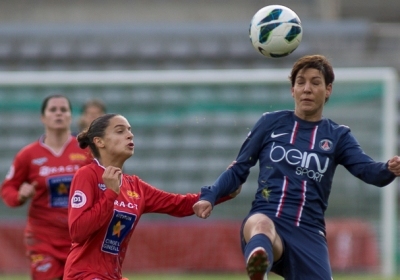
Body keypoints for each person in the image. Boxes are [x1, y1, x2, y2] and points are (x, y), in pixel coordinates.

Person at [192, 54, 400, 280]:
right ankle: (259, 267)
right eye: (300, 82)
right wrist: (210, 195)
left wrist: (389, 168)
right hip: (268, 219)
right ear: (293, 90)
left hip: (309, 232)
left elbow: (368, 171)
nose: (307, 89)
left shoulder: (338, 136)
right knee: (260, 224)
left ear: (328, 90)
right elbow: (239, 169)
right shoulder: (270, 123)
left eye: (315, 82)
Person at [64, 113, 240, 280]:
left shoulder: (135, 186)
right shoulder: (87, 175)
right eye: (120, 131)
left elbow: (181, 204)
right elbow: (78, 232)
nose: (130, 135)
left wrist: (223, 190)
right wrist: (110, 194)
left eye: (130, 130)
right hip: (83, 274)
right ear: (99, 141)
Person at [0, 94, 92, 280]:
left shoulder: (86, 151)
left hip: (79, 239)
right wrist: (20, 195)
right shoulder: (28, 155)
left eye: (63, 109)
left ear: (70, 116)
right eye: (53, 110)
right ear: (43, 117)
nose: (58, 113)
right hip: (43, 239)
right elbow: (8, 188)